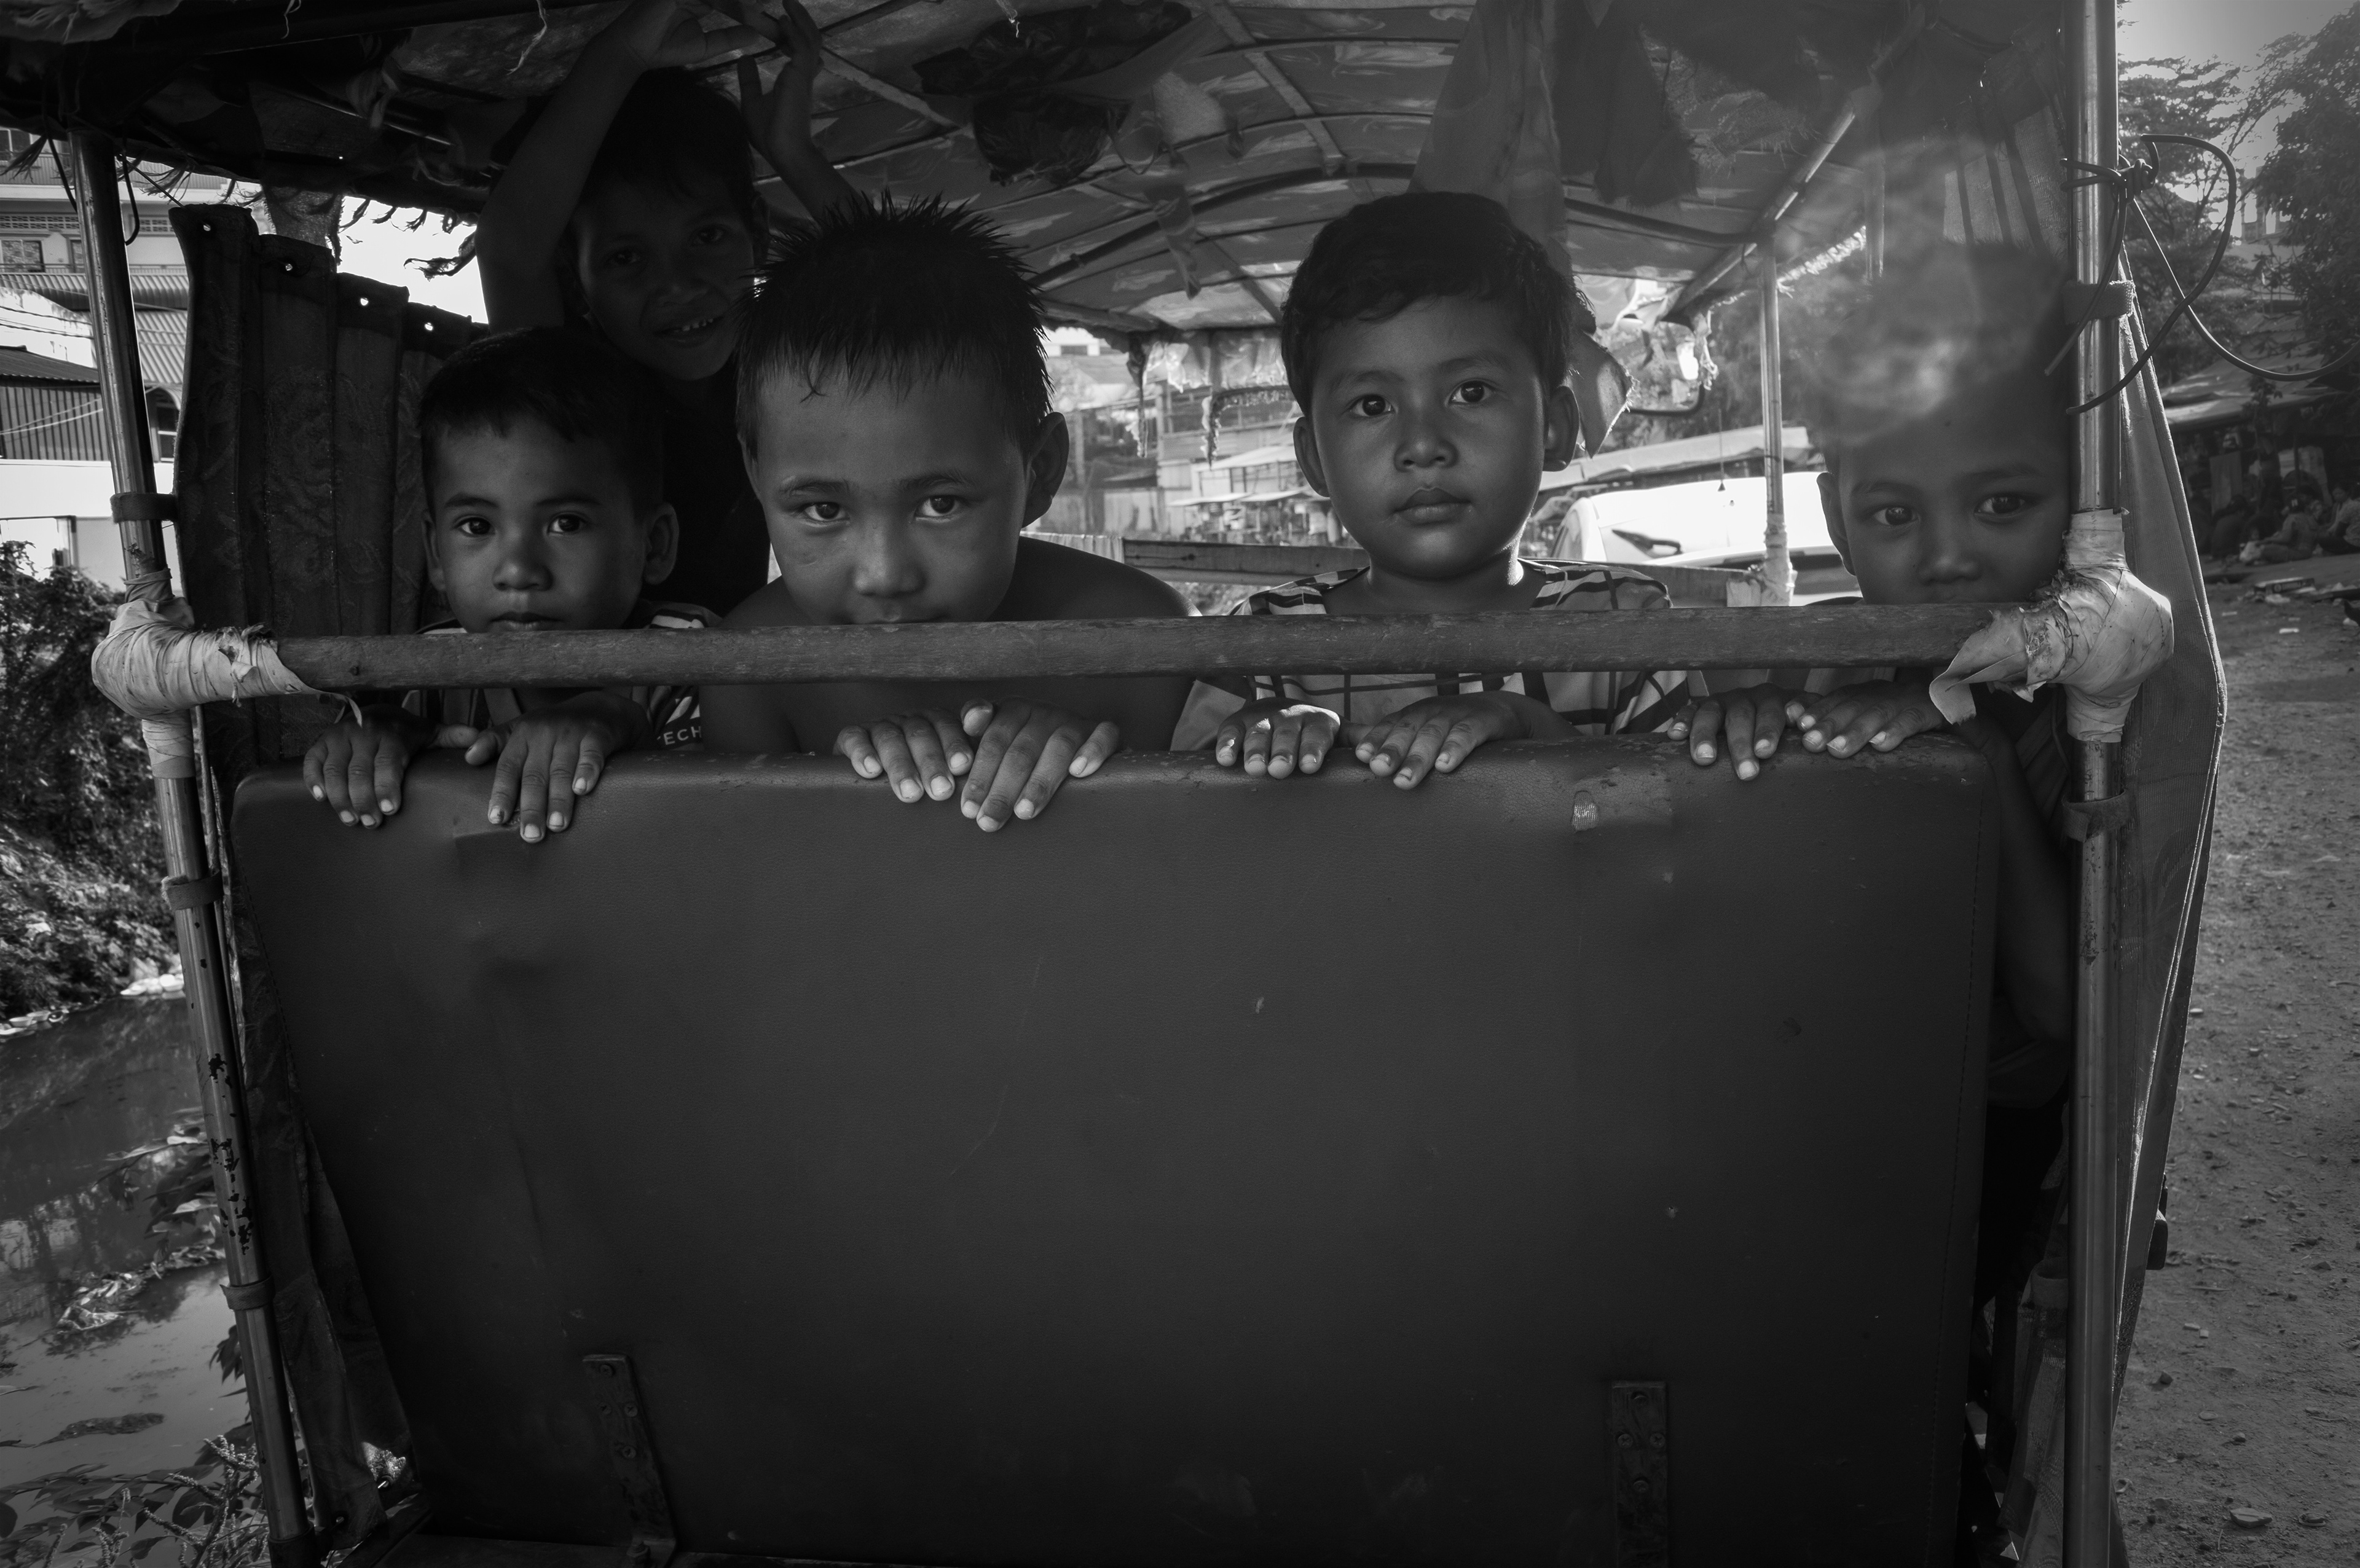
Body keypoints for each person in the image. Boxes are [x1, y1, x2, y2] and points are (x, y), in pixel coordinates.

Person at [1668, 241, 2075, 1526]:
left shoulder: (2088, 699)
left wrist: (1974, 753)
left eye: (2003, 504)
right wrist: (1737, 735)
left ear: (2079, 497)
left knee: (1875, 1355)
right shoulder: (1821, 666)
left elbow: (2062, 1016)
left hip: (1977, 1133)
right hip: (1798, 1098)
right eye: (1896, 517)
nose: (1949, 557)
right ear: (1840, 517)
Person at [699, 200, 1194, 830]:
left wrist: (1084, 766)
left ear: (1040, 470)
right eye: (823, 509)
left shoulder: (1140, 639)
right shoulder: (748, 670)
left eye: (940, 504)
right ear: (756, 476)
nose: (883, 575)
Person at [1175, 192, 1691, 786]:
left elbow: (1679, 820)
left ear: (1554, 428)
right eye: (1373, 405)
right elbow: (1177, 821)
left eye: (1470, 393)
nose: (1422, 445)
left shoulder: (1623, 624)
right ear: (1314, 457)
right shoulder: (1260, 645)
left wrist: (1530, 728)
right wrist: (1259, 747)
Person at [474, 0, 857, 615]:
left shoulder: (784, 370)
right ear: (576, 280)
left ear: (758, 234)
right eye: (626, 258)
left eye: (707, 236)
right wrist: (618, 56)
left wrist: (794, 152)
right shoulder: (574, 389)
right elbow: (511, 251)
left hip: (735, 668)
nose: (677, 285)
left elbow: (918, 296)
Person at [301, 329, 712, 844]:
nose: (518, 571)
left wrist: (624, 728)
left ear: (654, 545)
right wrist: (371, 750)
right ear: (436, 553)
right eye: (477, 527)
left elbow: (723, 831)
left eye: (566, 523)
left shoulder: (694, 661)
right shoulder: (426, 676)